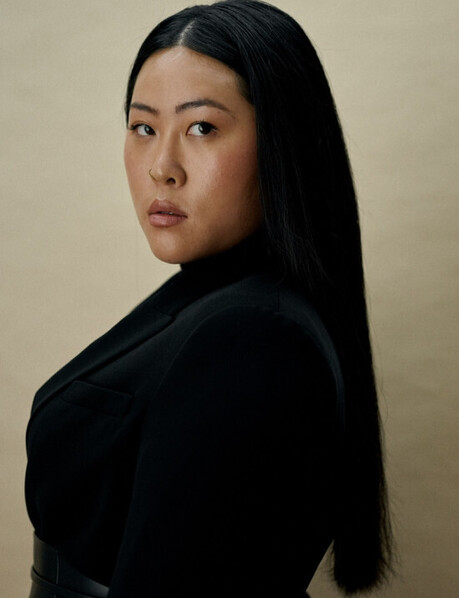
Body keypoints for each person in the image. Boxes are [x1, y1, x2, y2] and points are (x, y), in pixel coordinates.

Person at [25, 1, 393, 596]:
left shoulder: (253, 338)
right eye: (144, 128)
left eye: (202, 128)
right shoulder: (217, 296)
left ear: (282, 143)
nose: (162, 168)